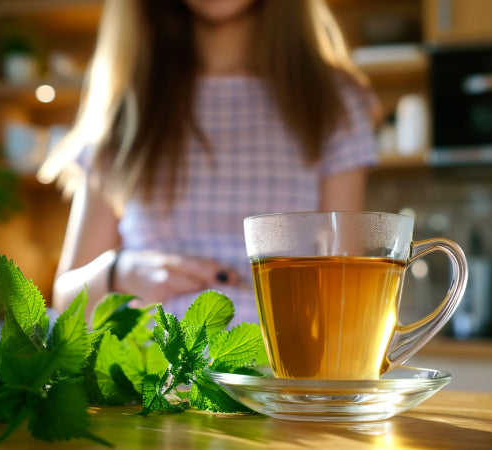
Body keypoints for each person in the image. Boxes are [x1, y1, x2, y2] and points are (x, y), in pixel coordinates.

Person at [38, 0, 380, 323]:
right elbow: (66, 302)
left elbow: (347, 292)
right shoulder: (126, 110)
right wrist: (121, 271)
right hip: (146, 380)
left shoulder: (333, 103)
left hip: (276, 382)